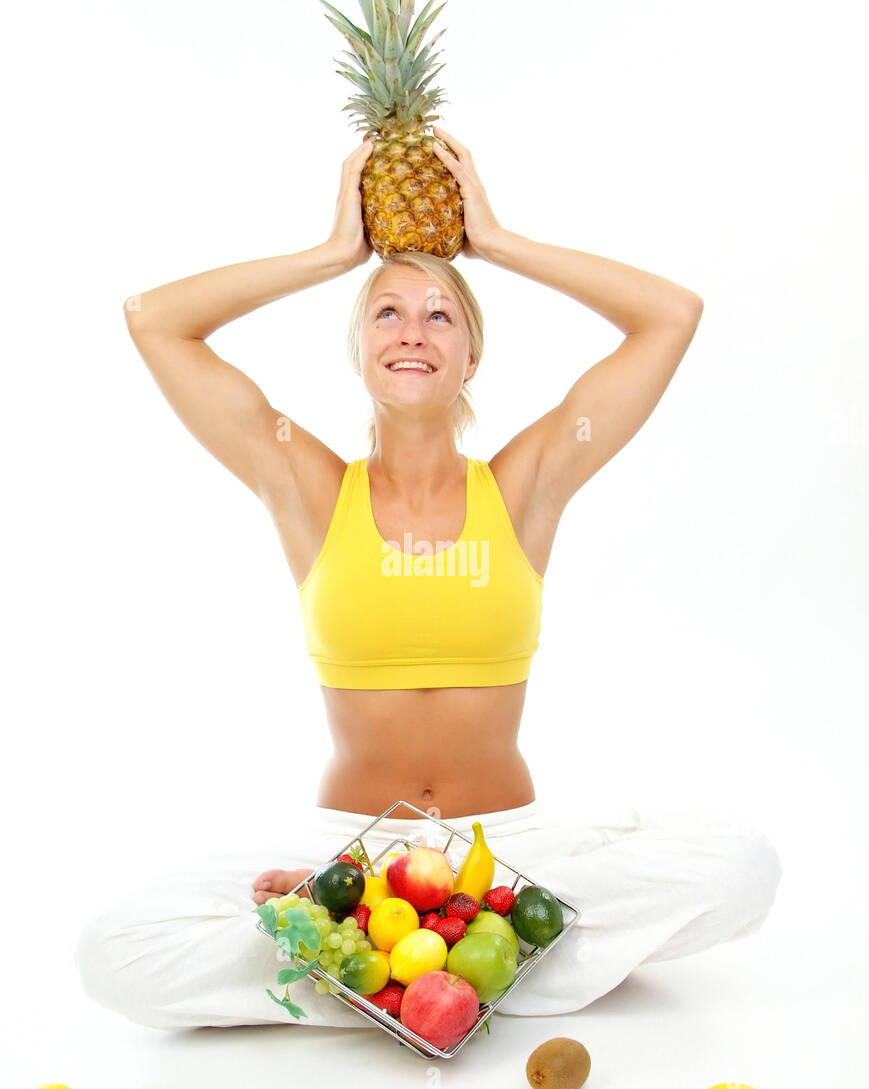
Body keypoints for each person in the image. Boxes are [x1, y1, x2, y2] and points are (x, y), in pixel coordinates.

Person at [75, 131, 781, 1031]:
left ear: (470, 359)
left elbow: (670, 316)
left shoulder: (523, 487)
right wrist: (332, 254)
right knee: (115, 950)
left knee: (741, 864)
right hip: (344, 849)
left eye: (440, 315)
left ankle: (363, 967)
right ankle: (472, 967)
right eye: (387, 313)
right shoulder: (307, 486)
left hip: (507, 852)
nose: (413, 331)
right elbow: (153, 321)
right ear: (359, 350)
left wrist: (492, 241)